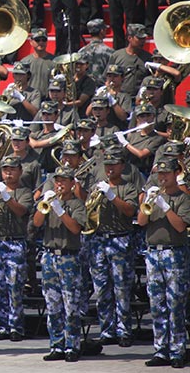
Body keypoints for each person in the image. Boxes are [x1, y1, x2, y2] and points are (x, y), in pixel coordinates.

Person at [137, 158, 190, 368]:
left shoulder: (183, 199)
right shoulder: (154, 194)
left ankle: (178, 350)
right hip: (153, 253)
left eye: (166, 173)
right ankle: (161, 350)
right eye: (160, 173)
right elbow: (141, 221)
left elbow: (179, 227)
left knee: (175, 303)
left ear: (176, 174)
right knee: (157, 304)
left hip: (173, 252)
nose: (162, 177)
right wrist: (148, 202)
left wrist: (166, 207)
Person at [33, 165, 87, 362]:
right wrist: (46, 203)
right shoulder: (50, 201)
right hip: (49, 256)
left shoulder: (77, 204)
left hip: (68, 256)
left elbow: (75, 229)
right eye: (57, 180)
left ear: (72, 183)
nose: (59, 184)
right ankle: (57, 345)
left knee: (70, 304)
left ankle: (72, 345)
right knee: (52, 303)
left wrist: (60, 210)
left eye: (64, 180)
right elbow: (37, 223)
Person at [87, 149, 138, 348]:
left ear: (122, 166)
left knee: (122, 288)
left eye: (114, 165)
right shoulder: (97, 187)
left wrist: (111, 196)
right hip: (99, 240)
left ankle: (124, 330)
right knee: (102, 290)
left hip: (120, 239)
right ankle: (107, 330)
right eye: (107, 165)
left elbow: (130, 211)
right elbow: (88, 209)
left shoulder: (128, 187)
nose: (110, 168)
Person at [0, 156, 33, 341]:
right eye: (5, 170)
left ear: (20, 171)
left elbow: (21, 211)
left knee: (14, 287)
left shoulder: (24, 191)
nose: (8, 173)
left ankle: (16, 327)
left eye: (12, 169)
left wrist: (6, 196)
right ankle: (2, 325)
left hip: (14, 242)